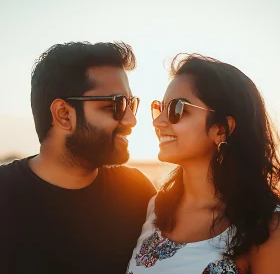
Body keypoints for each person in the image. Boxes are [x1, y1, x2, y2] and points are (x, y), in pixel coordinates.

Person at [0, 41, 156, 273]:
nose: (130, 120)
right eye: (116, 104)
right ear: (64, 114)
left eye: (131, 104)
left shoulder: (137, 192)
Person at [127, 54, 280, 274]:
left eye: (177, 109)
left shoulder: (267, 227)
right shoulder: (156, 208)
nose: (158, 122)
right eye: (160, 107)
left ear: (222, 129)